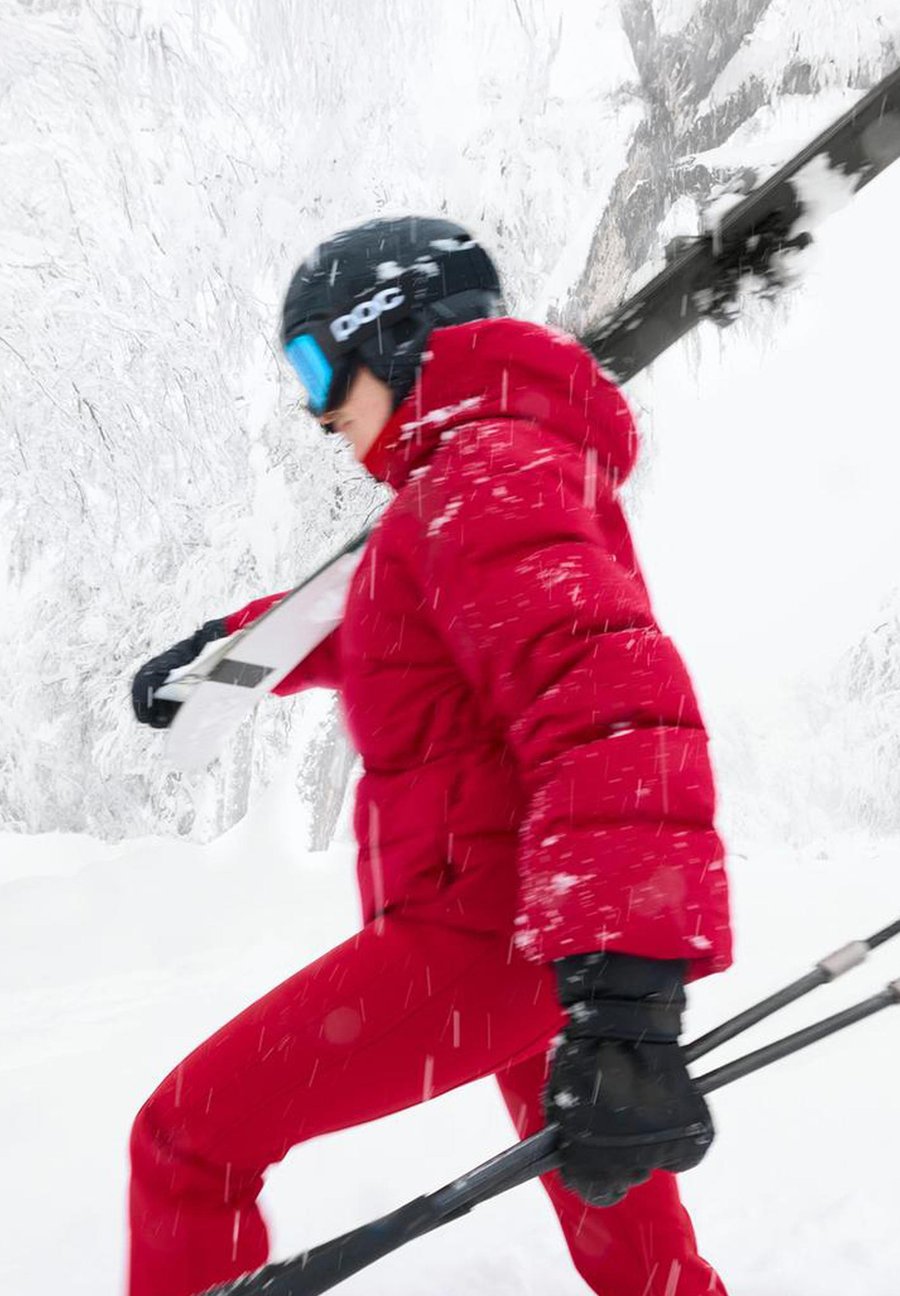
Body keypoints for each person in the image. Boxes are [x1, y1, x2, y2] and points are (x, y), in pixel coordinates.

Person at [129, 216, 733, 1296]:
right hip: (539, 938)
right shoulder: (474, 481)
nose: (317, 410)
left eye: (318, 364)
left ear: (391, 332)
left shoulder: (481, 475)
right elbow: (387, 626)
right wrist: (228, 651)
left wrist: (629, 999)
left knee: (186, 1142)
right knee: (635, 1253)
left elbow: (612, 708)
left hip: (488, 937)